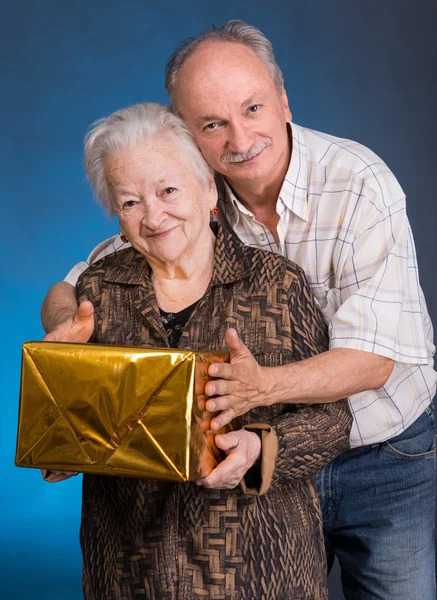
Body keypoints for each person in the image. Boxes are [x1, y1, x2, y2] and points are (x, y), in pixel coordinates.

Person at [41, 21, 436, 600]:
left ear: (282, 98)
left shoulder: (357, 184)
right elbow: (81, 284)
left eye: (252, 108)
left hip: (383, 450)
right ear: (189, 137)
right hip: (240, 493)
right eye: (212, 124)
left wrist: (261, 390)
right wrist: (65, 332)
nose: (239, 137)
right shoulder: (181, 197)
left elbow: (372, 364)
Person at [50, 101, 351, 599]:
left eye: (168, 190)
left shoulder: (277, 284)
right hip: (129, 573)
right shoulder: (100, 290)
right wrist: (63, 432)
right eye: (129, 202)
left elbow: (334, 421)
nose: (153, 216)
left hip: (260, 571)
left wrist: (259, 449)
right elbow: (72, 422)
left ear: (209, 189)